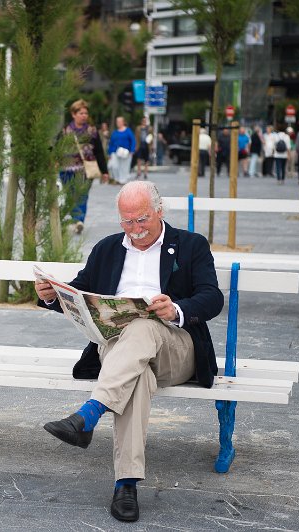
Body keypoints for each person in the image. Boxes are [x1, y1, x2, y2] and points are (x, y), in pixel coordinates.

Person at [37, 180, 224, 523]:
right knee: (136, 377)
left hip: (175, 347)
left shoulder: (191, 245)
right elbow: (80, 292)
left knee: (142, 325)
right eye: (127, 222)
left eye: (142, 220)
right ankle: (126, 485)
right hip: (119, 350)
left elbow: (213, 297)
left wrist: (177, 309)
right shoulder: (107, 248)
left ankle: (90, 413)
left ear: (158, 212)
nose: (135, 230)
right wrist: (52, 295)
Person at [58, 99, 108, 234]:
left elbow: (99, 152)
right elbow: (57, 149)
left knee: (82, 195)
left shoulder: (92, 131)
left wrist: (104, 171)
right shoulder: (65, 131)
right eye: (81, 113)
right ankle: (76, 220)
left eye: (86, 113)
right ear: (73, 114)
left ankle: (78, 220)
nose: (84, 115)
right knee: (70, 196)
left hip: (86, 170)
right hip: (66, 170)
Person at [106, 116, 135, 185]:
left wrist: (132, 150)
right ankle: (116, 178)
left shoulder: (128, 131)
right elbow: (111, 143)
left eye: (119, 121)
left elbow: (133, 141)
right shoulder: (115, 132)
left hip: (126, 152)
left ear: (123, 122)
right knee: (113, 166)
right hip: (115, 152)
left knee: (124, 166)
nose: (118, 123)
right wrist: (109, 153)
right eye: (117, 121)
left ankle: (123, 180)